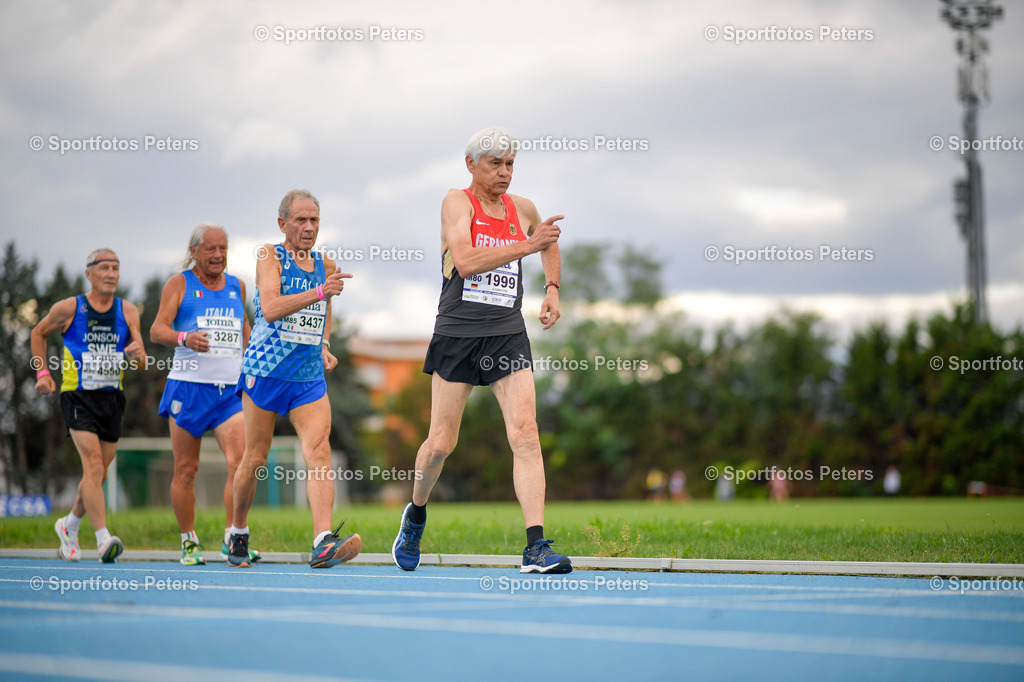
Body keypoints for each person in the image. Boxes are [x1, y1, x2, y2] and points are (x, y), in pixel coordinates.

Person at [392, 127, 570, 574]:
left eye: (510, 164)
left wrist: (552, 288)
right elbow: (467, 261)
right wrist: (526, 245)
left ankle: (535, 547)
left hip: (507, 333)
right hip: (459, 333)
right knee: (441, 443)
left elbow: (548, 240)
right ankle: (415, 515)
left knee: (526, 433)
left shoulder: (523, 209)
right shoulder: (458, 202)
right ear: (471, 164)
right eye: (495, 164)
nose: (505, 172)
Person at [227, 189, 361, 569]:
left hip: (306, 376)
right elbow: (270, 308)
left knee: (319, 451)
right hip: (266, 371)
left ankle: (322, 541)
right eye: (300, 220)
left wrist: (324, 343)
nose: (308, 227)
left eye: (314, 220)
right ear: (282, 223)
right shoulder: (270, 256)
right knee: (255, 457)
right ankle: (238, 530)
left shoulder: (325, 264)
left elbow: (325, 305)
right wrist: (320, 291)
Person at [151, 223, 260, 566]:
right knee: (186, 470)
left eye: (223, 248)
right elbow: (157, 329)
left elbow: (245, 334)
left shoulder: (237, 286)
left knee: (240, 462)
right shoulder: (179, 284)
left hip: (229, 392)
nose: (218, 255)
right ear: (194, 251)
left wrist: (257, 364)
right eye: (210, 249)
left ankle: (233, 537)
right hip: (189, 389)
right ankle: (189, 541)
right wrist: (185, 338)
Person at [30, 248, 146, 563]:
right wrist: (42, 373)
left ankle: (69, 525)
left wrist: (137, 356)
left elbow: (141, 359)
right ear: (89, 273)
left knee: (99, 474)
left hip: (112, 397)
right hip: (78, 395)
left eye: (115, 268)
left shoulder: (127, 310)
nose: (111, 274)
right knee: (93, 466)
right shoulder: (70, 308)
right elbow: (38, 332)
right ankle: (103, 539)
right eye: (104, 268)